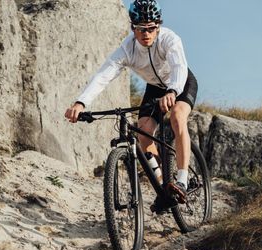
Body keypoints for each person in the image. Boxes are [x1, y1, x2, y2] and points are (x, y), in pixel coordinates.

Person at [64, 0, 197, 206]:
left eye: (151, 28)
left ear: (158, 26)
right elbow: (103, 76)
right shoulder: (128, 49)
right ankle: (164, 188)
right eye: (140, 29)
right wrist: (81, 103)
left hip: (180, 83)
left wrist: (172, 91)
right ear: (132, 28)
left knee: (178, 118)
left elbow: (179, 67)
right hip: (154, 88)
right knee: (143, 132)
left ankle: (181, 181)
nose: (146, 34)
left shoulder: (170, 39)